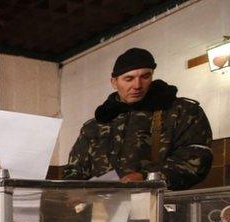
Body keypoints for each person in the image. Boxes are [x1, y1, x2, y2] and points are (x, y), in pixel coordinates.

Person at [64, 47, 212, 190]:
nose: (137, 85)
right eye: (129, 78)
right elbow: (74, 171)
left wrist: (147, 178)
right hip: (104, 211)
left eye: (145, 76)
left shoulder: (182, 111)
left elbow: (195, 161)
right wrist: (72, 192)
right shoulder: (95, 124)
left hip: (161, 206)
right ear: (114, 82)